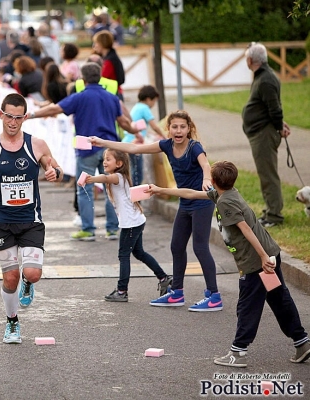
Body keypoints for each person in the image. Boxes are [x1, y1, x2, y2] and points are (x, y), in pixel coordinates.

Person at [148, 161, 310, 367]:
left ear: (214, 181)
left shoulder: (225, 203)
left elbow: (246, 230)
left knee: (247, 307)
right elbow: (190, 193)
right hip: (270, 255)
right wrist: (159, 189)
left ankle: (238, 352)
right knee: (279, 300)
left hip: (257, 263)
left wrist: (261, 257)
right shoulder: (225, 194)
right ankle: (302, 343)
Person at [90, 110, 223, 311]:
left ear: (189, 129)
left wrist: (206, 179)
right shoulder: (166, 145)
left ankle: (214, 296)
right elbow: (134, 149)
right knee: (177, 246)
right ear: (168, 129)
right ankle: (176, 292)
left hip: (202, 201)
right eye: (174, 127)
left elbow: (205, 164)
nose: (178, 130)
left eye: (182, 127)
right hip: (185, 202)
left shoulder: (195, 147)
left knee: (199, 247)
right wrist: (104, 142)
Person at [0, 93, 63, 344]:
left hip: (30, 220)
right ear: (1, 115)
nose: (13, 122)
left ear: (25, 117)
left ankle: (29, 285)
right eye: (9, 116)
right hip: (2, 222)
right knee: (11, 277)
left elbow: (57, 170)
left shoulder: (37, 145)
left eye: (18, 117)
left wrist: (55, 173)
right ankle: (12, 322)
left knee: (31, 273)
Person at [30, 62, 139, 242]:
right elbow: (124, 122)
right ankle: (113, 229)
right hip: (109, 147)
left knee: (84, 188)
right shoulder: (112, 97)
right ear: (100, 76)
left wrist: (32, 115)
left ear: (83, 78)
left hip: (85, 147)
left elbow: (55, 108)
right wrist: (135, 131)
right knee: (112, 188)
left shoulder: (79, 97)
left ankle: (88, 229)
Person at [84, 149, 172, 302]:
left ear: (119, 164)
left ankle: (122, 290)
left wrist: (90, 179)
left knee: (124, 255)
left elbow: (105, 178)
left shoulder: (117, 177)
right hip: (136, 221)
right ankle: (163, 278)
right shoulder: (121, 177)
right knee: (139, 253)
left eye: (108, 159)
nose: (104, 162)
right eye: (104, 159)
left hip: (131, 224)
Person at [242, 42, 291, 228]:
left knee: (268, 175)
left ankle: (274, 215)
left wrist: (279, 126)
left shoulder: (266, 79)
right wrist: (279, 123)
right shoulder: (262, 77)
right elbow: (269, 107)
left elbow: (275, 108)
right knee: (265, 175)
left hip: (264, 134)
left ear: (250, 60)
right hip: (260, 131)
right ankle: (270, 210)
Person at [126, 85, 167, 186]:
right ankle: (134, 197)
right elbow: (154, 126)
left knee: (133, 171)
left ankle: (133, 195)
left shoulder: (137, 107)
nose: (153, 104)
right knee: (137, 174)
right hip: (135, 143)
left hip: (128, 141)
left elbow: (141, 127)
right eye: (154, 101)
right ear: (149, 99)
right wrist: (164, 136)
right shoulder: (144, 108)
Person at [92, 30, 125, 100]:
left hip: (113, 94)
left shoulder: (109, 61)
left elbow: (101, 78)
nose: (94, 46)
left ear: (102, 43)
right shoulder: (111, 57)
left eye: (96, 43)